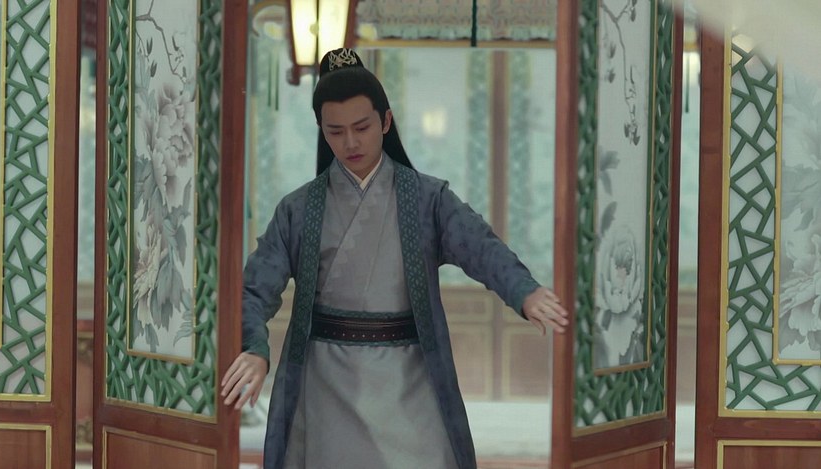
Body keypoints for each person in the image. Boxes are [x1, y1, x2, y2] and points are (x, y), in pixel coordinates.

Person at [221, 48, 569, 469]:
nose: (350, 142)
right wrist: (254, 348)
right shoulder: (299, 210)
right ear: (321, 130)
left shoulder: (427, 199)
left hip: (409, 375)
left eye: (362, 127)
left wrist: (524, 292)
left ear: (385, 121)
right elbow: (254, 289)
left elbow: (481, 247)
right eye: (335, 131)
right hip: (325, 380)